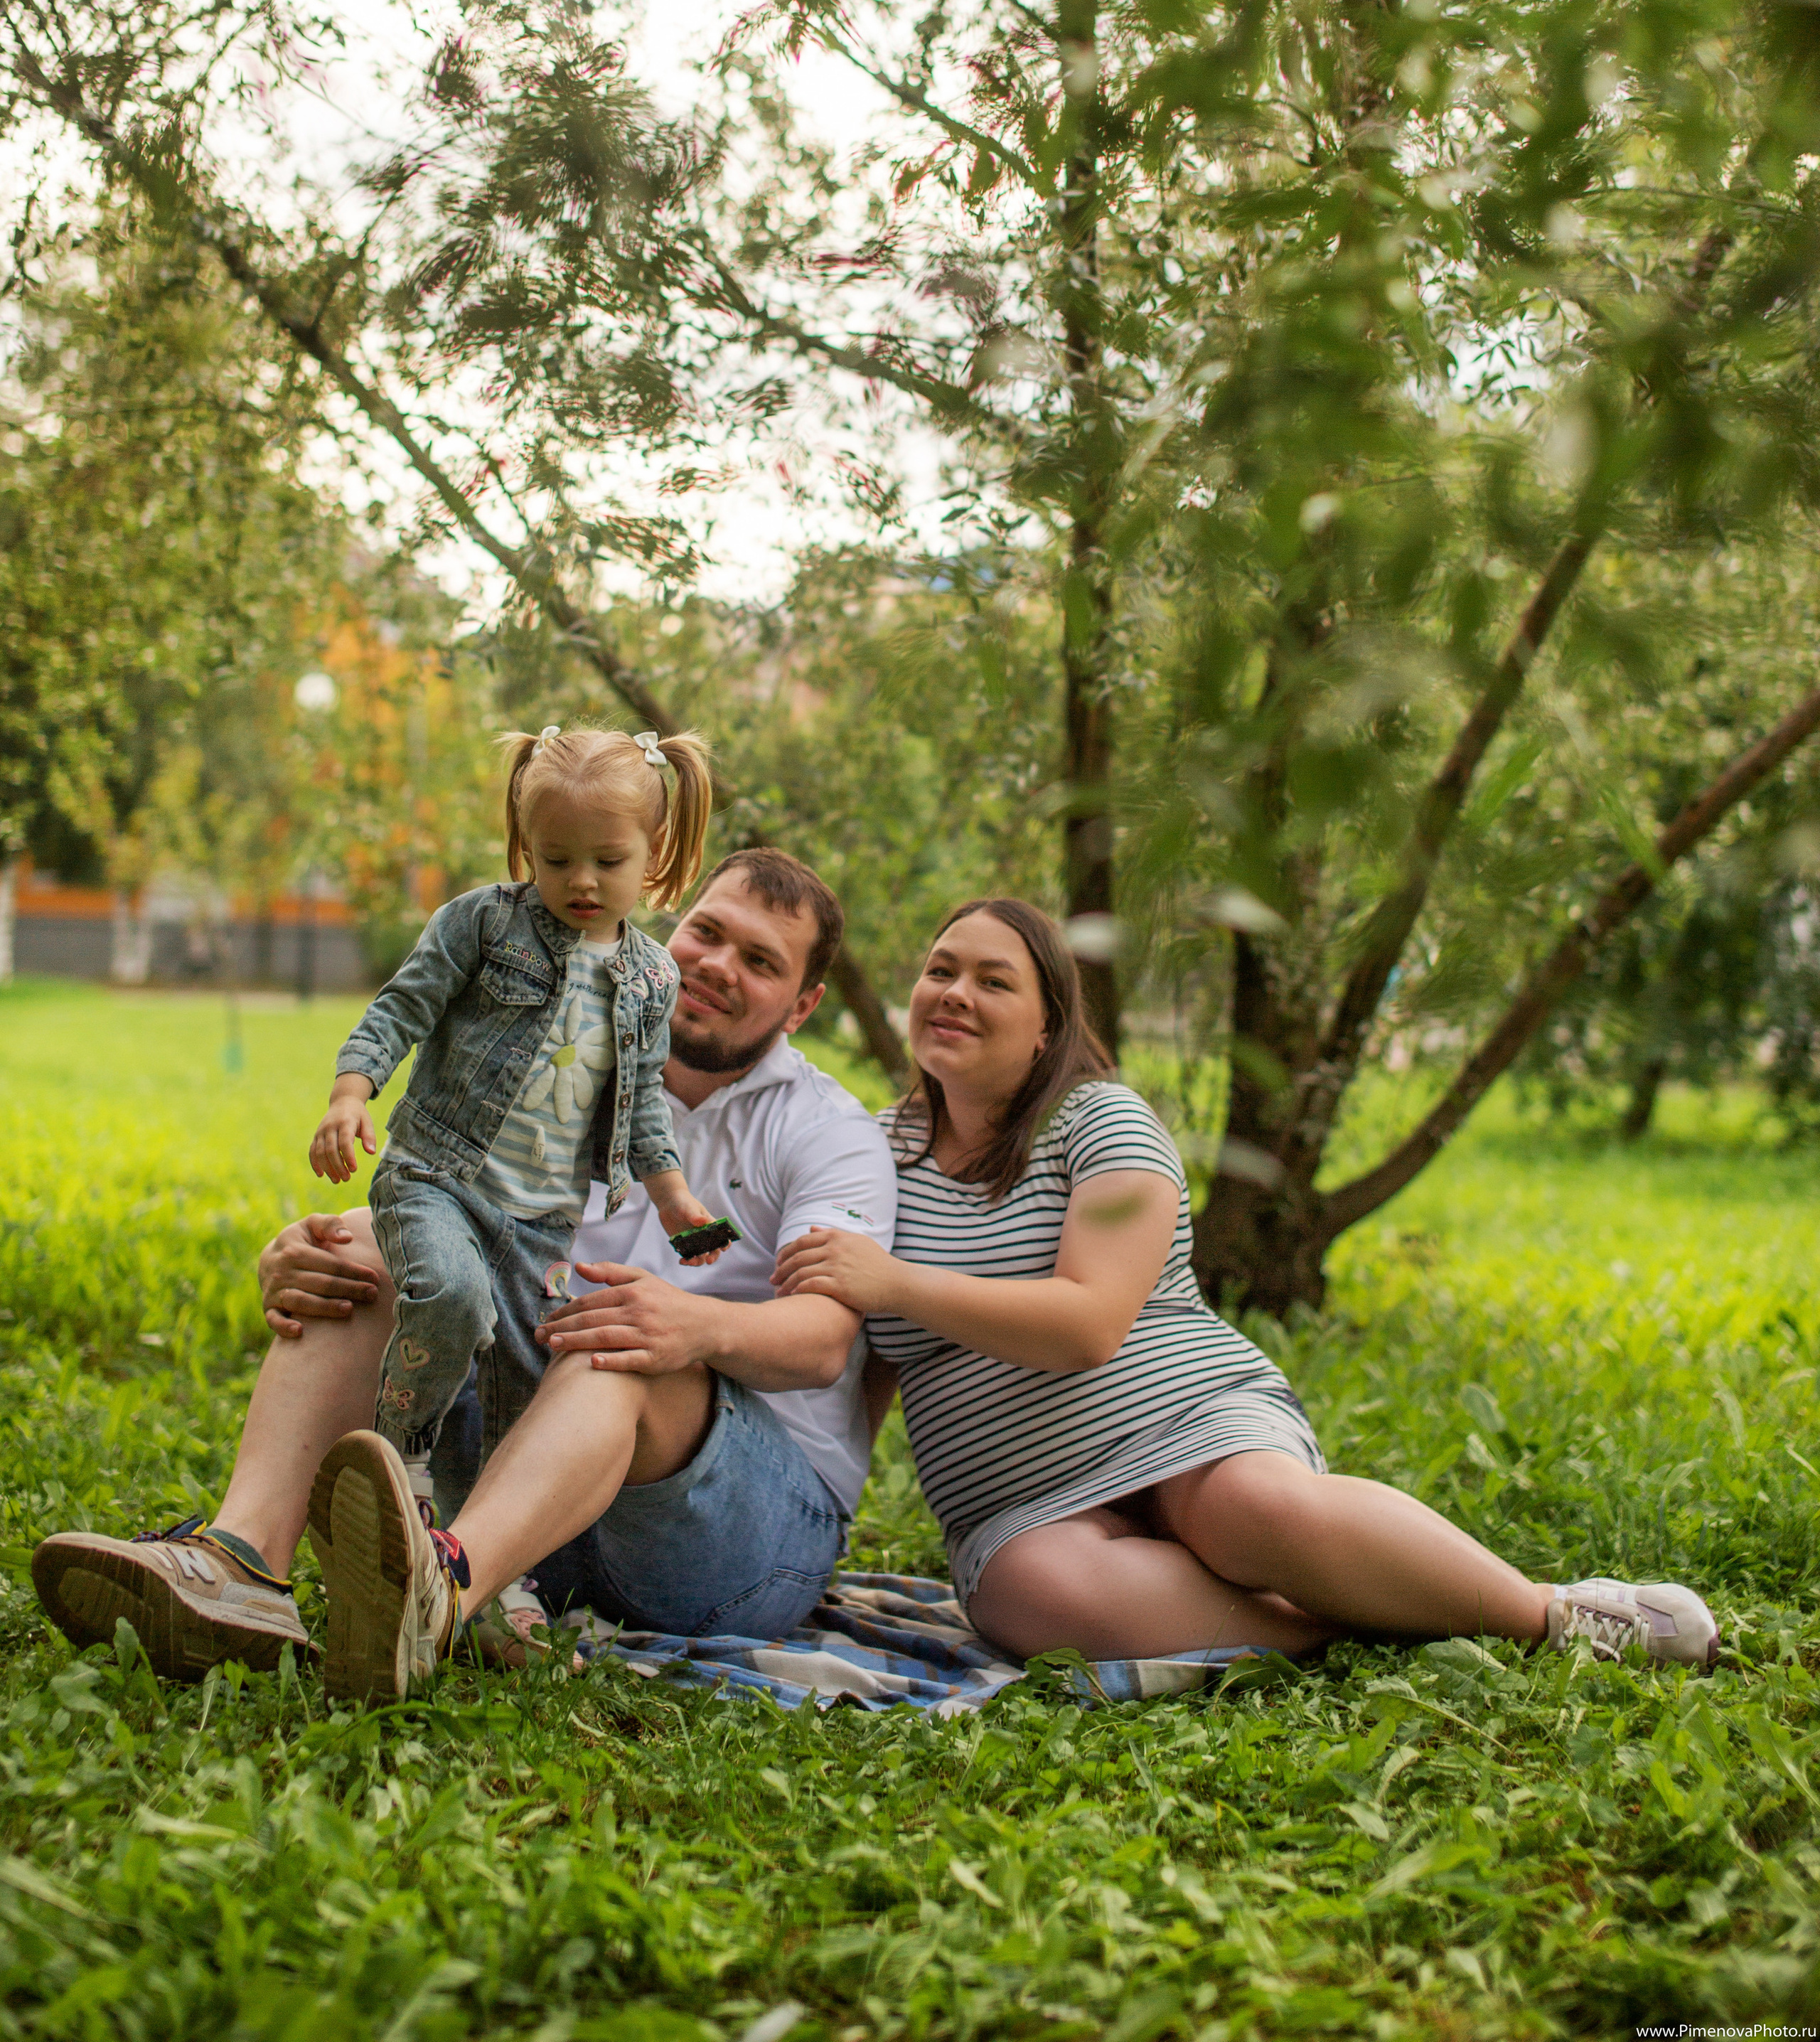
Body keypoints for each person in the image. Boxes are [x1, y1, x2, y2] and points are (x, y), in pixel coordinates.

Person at [32, 849, 897, 1699]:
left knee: (626, 1343)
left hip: (738, 1536)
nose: (716, 965)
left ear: (803, 1006)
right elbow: (434, 1208)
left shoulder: (826, 1132)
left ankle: (439, 1594)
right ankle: (241, 1565)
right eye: (707, 932)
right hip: (537, 1491)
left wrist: (696, 1327)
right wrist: (306, 1247)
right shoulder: (563, 1060)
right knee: (373, 1244)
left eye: (759, 961)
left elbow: (822, 1342)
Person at [775, 896, 1720, 1673]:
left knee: (1253, 1514)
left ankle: (1549, 1615)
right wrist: (813, 1513)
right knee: (1037, 1601)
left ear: (1047, 1027)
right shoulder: (873, 1153)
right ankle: (1350, 1627)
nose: (955, 993)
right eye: (941, 969)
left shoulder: (1100, 1122)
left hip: (1176, 1420)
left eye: (993, 980)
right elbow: (864, 1369)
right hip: (1014, 1501)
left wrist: (894, 1281)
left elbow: (1090, 1324)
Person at [311, 722, 722, 1515]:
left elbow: (640, 1111)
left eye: (609, 862)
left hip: (541, 1219)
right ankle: (394, 1465)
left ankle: (459, 1551)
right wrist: (350, 1092)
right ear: (525, 843)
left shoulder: (651, 977)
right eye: (555, 859)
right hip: (438, 1174)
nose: (583, 882)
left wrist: (676, 1201)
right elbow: (402, 1009)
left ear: (656, 849)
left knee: (516, 1388)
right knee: (454, 1299)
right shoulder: (483, 923)